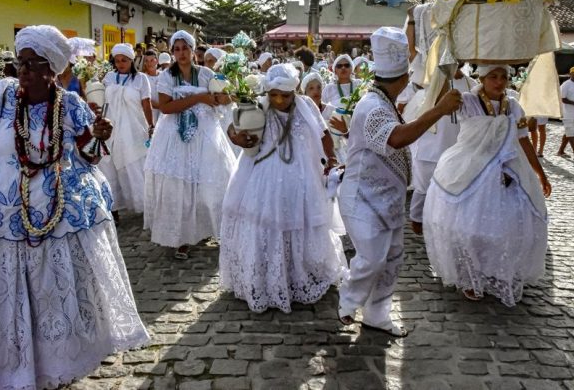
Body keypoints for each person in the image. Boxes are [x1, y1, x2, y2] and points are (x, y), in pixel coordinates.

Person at [0, 25, 150, 389]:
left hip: (59, 206)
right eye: (20, 62)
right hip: (0, 211)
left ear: (53, 69)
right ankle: (6, 364)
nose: (22, 70)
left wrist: (99, 137)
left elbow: (89, 156)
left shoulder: (71, 105)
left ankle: (55, 364)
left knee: (52, 295)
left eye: (32, 63)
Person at [337, 27, 462, 337]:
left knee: (392, 260)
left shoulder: (384, 101)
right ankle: (348, 298)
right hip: (363, 198)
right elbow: (398, 138)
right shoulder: (373, 106)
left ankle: (377, 315)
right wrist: (440, 110)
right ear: (404, 78)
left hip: (386, 199)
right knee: (373, 257)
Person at [220, 63, 347, 313]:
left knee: (300, 222)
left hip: (303, 178)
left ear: (295, 91)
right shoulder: (258, 107)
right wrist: (235, 137)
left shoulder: (307, 106)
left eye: (285, 95)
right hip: (264, 177)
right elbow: (233, 125)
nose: (279, 100)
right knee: (268, 225)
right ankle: (268, 279)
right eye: (274, 95)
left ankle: (297, 276)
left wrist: (331, 159)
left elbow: (323, 134)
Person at [424, 65, 551, 306]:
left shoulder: (514, 106)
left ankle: (497, 271)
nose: (499, 82)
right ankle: (470, 276)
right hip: (472, 170)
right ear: (481, 77)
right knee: (469, 229)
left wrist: (540, 173)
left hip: (510, 171)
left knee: (509, 227)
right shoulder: (467, 101)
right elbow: (439, 104)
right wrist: (447, 70)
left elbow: (523, 141)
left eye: (504, 77)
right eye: (493, 76)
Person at [144, 30, 236, 259]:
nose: (181, 53)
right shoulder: (167, 77)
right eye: (177, 49)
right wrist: (198, 98)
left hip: (205, 134)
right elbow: (165, 107)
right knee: (179, 185)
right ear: (172, 52)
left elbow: (221, 99)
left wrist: (224, 96)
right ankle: (182, 237)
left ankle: (208, 228)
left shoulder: (206, 74)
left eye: (185, 48)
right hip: (175, 135)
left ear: (193, 50)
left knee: (207, 183)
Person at [408, 64, 475, 235]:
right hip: (431, 150)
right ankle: (421, 226)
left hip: (459, 152)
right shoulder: (430, 83)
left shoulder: (473, 85)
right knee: (422, 196)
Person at [99, 43, 154, 218]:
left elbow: (146, 104)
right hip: (111, 127)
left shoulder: (141, 79)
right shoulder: (108, 77)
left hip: (133, 128)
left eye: (124, 60)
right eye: (117, 60)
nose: (121, 64)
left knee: (134, 166)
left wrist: (150, 125)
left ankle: (145, 206)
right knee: (108, 166)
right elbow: (101, 101)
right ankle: (113, 208)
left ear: (131, 60)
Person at [142, 48, 162, 122]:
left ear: (157, 61)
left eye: (152, 60)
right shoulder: (142, 78)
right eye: (146, 61)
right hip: (150, 116)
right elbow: (144, 99)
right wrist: (163, 106)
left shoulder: (164, 76)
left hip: (163, 116)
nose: (149, 63)